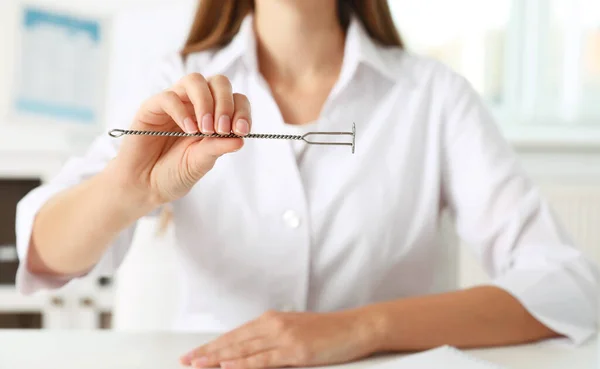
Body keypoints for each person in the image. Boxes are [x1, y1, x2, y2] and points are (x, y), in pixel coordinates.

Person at [15, 0, 599, 368]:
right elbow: (44, 251)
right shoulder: (174, 82)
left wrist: (363, 329)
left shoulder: (434, 97)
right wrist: (128, 189)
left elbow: (568, 285)